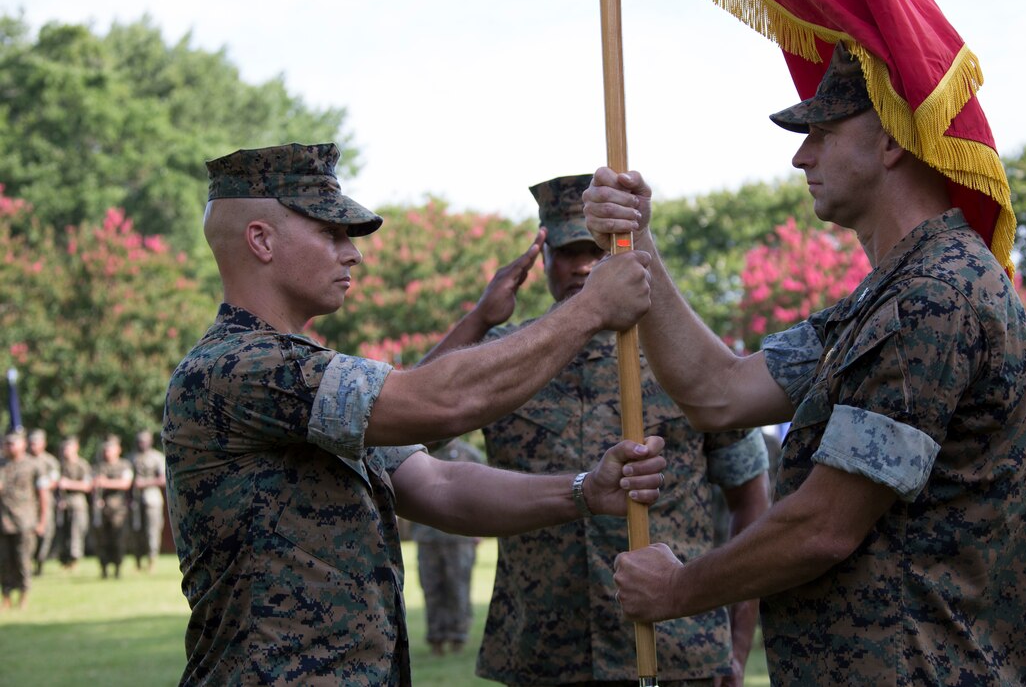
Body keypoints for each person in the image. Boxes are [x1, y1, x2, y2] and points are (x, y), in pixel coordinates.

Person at [585, 43, 1026, 685]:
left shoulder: (933, 296)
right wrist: (638, 242)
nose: (801, 155)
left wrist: (677, 590)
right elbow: (717, 393)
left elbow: (825, 526)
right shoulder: (889, 297)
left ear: (890, 142)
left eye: (823, 133)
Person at [161, 142, 662, 685]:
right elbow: (439, 403)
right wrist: (590, 307)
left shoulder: (298, 374)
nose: (353, 254)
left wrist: (585, 490)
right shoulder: (238, 367)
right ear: (261, 240)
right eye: (331, 233)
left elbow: (441, 486)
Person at [422, 173, 771, 686]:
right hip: (542, 657)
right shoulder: (506, 357)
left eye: (599, 248)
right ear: (541, 259)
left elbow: (750, 500)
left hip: (676, 653)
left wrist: (735, 646)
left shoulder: (686, 362)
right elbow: (408, 436)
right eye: (567, 251)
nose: (584, 264)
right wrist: (478, 320)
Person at [412, 437, 484, 657]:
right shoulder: (419, 452)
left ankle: (458, 638)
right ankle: (436, 638)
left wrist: (480, 528)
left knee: (458, 588)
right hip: (427, 537)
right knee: (432, 588)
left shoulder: (470, 455)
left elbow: (480, 495)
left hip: (460, 538)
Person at [0, 430, 49, 609]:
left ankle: (23, 594)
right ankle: (5, 594)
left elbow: (43, 496)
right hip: (3, 521)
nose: (8, 446)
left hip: (24, 521)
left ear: (22, 445)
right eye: (6, 443)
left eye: (12, 443)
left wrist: (42, 521)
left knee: (23, 560)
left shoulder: (33, 465)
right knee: (4, 561)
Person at [92, 434, 133, 579]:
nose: (107, 452)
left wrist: (105, 483)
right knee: (102, 541)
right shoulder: (99, 466)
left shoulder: (124, 465)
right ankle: (103, 569)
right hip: (102, 510)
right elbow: (93, 484)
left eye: (110, 449)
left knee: (118, 540)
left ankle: (117, 569)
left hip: (118, 510)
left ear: (118, 450)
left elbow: (125, 484)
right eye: (105, 449)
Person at [129, 428, 167, 571]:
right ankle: (137, 562)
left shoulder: (157, 457)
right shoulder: (131, 457)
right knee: (136, 531)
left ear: (150, 441)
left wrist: (145, 483)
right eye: (139, 441)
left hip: (152, 498)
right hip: (135, 500)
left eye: (144, 441)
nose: (141, 444)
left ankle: (151, 561)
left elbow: (163, 480)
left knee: (152, 531)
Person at [56, 435, 93, 571]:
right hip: (63, 504)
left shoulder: (82, 465)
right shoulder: (60, 465)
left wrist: (68, 484)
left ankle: (74, 560)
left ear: (76, 448)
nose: (66, 450)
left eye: (69, 447)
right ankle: (64, 561)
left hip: (77, 503)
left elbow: (87, 486)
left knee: (76, 533)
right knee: (63, 534)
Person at [26, 428, 59, 575]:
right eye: (31, 442)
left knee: (46, 534)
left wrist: (42, 485)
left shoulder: (50, 461)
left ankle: (40, 562)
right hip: (27, 505)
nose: (33, 445)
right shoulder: (25, 460)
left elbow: (54, 480)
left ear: (43, 443)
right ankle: (27, 563)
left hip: (45, 502)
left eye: (36, 442)